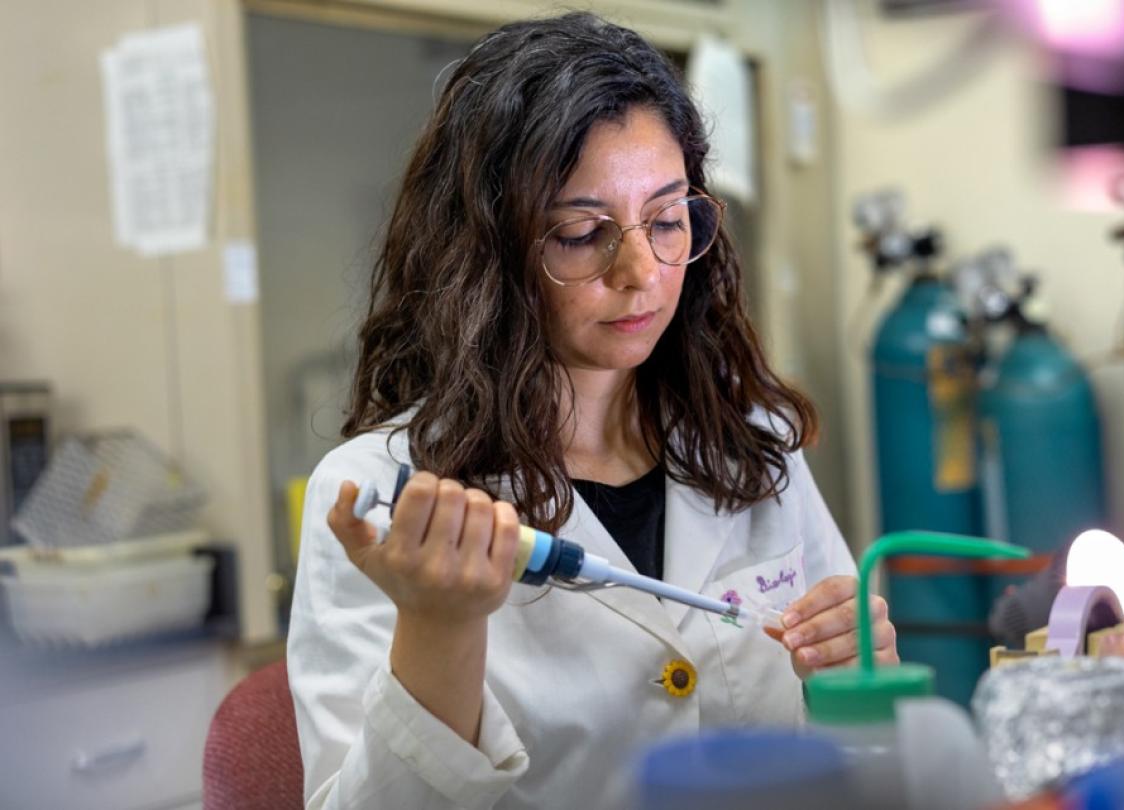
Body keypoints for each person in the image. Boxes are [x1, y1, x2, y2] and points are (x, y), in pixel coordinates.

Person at [287, 12, 899, 809]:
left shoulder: (751, 443)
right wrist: (439, 632)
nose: (642, 271)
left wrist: (852, 689)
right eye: (583, 233)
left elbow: (866, 768)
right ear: (488, 253)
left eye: (668, 220)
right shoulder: (387, 491)